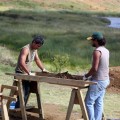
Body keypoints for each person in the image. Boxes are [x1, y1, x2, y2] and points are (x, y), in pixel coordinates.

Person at [15, 35, 48, 108]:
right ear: (34, 43)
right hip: (20, 73)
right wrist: (28, 72)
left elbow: (37, 60)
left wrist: (43, 69)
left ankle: (21, 108)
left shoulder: (34, 50)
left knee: (27, 91)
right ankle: (17, 110)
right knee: (22, 93)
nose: (38, 48)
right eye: (38, 46)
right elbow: (21, 62)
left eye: (39, 46)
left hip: (26, 73)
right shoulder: (26, 49)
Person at [83, 32, 110, 120]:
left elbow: (94, 68)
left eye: (92, 40)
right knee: (99, 102)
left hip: (98, 81)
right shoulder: (106, 50)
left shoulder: (97, 52)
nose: (92, 42)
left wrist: (86, 76)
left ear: (96, 41)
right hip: (105, 80)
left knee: (88, 103)